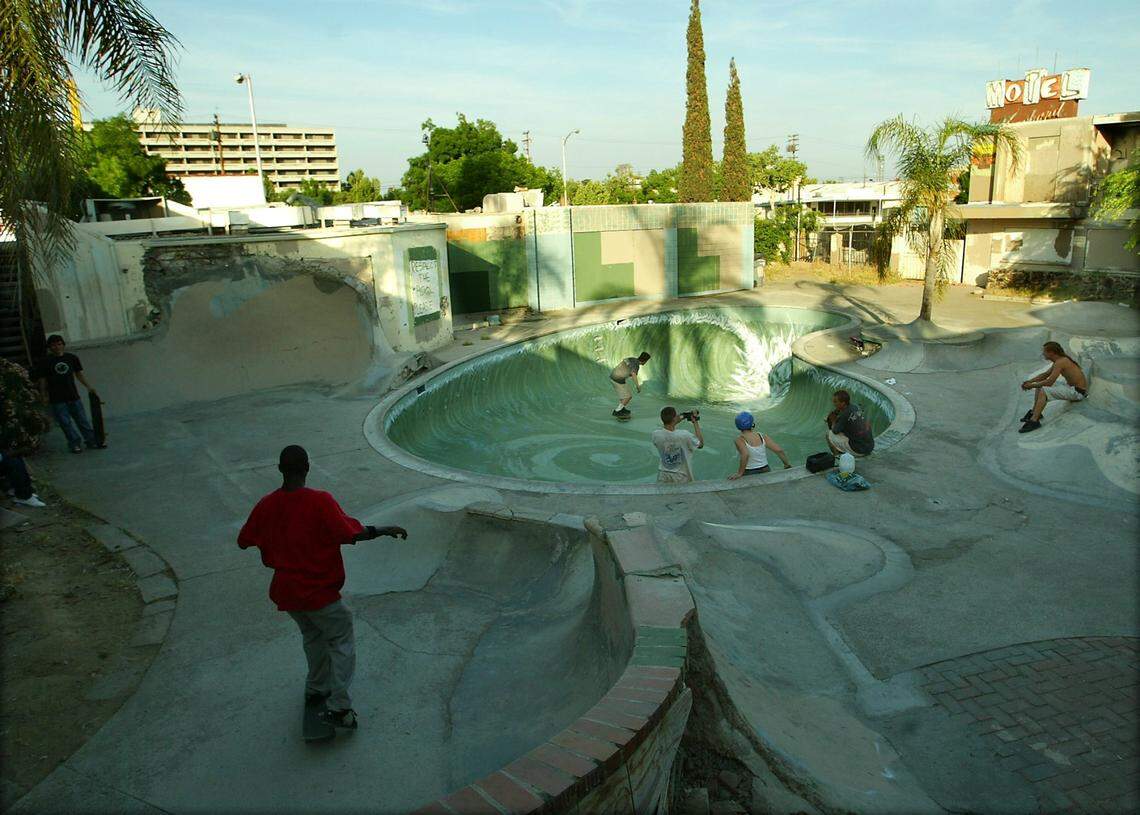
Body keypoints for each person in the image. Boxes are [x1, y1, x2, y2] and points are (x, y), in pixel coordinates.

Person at [238, 445, 408, 731]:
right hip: (317, 592)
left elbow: (244, 539)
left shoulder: (266, 505)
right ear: (307, 468)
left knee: (313, 635)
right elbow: (349, 533)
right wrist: (384, 529)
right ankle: (340, 708)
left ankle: (317, 687)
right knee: (340, 639)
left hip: (287, 592)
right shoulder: (319, 501)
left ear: (280, 469)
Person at [35, 335, 102, 453]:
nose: (57, 347)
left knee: (82, 420)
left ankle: (91, 440)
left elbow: (79, 374)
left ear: (63, 345)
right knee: (65, 423)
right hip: (57, 398)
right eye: (54, 345)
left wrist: (89, 387)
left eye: (59, 344)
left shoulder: (72, 358)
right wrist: (44, 395)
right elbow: (43, 380)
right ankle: (74, 443)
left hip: (73, 395)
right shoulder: (45, 362)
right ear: (50, 347)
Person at [1018, 341, 1088, 433]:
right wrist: (1030, 381)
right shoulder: (1059, 361)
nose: (1043, 353)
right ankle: (1035, 413)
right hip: (1071, 388)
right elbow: (1045, 374)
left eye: (1045, 351)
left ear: (1051, 352)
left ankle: (1034, 421)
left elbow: (1049, 382)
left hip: (1078, 392)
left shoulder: (1061, 362)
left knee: (1044, 390)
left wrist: (1031, 385)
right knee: (1040, 385)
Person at [728, 411, 791, 479]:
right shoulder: (762, 436)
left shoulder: (739, 440)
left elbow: (745, 455)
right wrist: (786, 464)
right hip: (765, 469)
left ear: (737, 426)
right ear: (752, 423)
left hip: (750, 471)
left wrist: (739, 473)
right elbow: (779, 450)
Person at [652, 406, 704, 483]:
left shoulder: (656, 434)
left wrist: (684, 415)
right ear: (674, 418)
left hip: (663, 475)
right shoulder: (685, 435)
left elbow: (669, 425)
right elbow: (701, 444)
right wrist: (695, 421)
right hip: (681, 477)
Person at [825, 389, 875, 457]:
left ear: (843, 403)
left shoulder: (845, 414)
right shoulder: (855, 407)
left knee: (829, 434)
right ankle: (844, 451)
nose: (834, 404)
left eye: (835, 402)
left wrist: (833, 420)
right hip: (870, 447)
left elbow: (835, 431)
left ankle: (837, 456)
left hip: (859, 450)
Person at [610, 351, 651, 418]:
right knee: (628, 397)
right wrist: (638, 386)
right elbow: (633, 374)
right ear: (645, 361)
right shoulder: (636, 365)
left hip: (614, 376)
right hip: (617, 380)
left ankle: (622, 408)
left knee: (625, 396)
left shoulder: (632, 359)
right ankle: (617, 411)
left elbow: (625, 363)